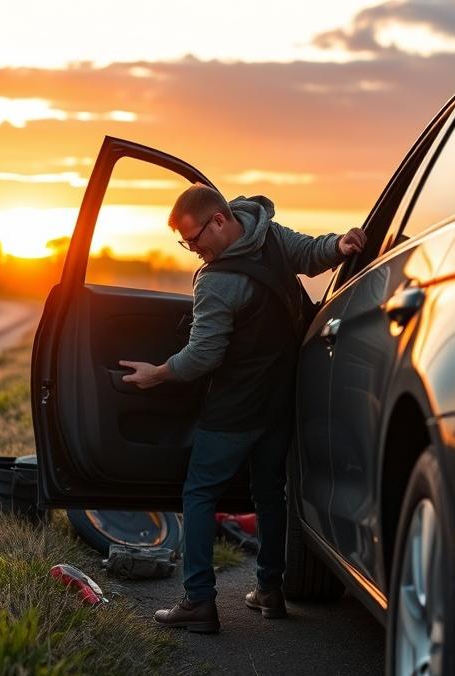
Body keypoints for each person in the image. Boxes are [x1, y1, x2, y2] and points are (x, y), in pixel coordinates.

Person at [119, 183, 366, 634]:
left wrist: (156, 374)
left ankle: (198, 602)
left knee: (198, 494)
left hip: (235, 408)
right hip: (282, 401)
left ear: (218, 220)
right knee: (270, 493)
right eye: (184, 244)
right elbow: (311, 254)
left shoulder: (216, 281)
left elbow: (203, 357)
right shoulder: (267, 233)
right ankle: (270, 590)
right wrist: (340, 246)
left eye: (194, 240)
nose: (192, 251)